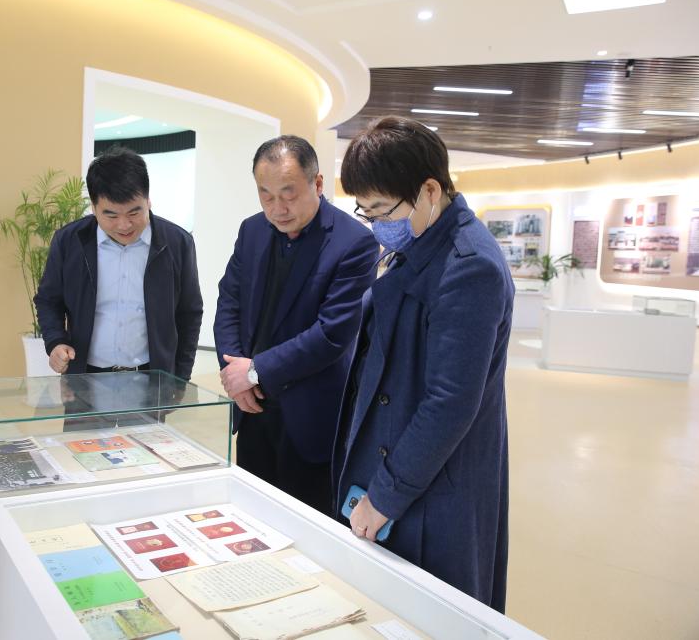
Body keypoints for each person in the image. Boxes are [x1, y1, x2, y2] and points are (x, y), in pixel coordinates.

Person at [332, 117, 513, 612]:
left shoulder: (470, 266)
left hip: (431, 480)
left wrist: (386, 496)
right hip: (399, 458)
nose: (375, 224)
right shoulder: (418, 241)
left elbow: (449, 403)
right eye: (365, 212)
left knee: (430, 611)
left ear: (430, 191)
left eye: (381, 210)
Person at [214, 135, 379, 514]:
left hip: (309, 415)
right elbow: (229, 302)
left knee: (306, 522)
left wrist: (254, 371)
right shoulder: (252, 230)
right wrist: (234, 371)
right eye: (266, 195)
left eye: (288, 194)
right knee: (250, 515)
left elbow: (332, 334)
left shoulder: (354, 242)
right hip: (253, 407)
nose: (277, 208)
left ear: (317, 184)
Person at [35, 147, 203, 381]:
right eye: (111, 215)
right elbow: (48, 300)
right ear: (93, 208)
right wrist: (55, 341)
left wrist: (180, 379)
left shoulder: (177, 243)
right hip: (85, 378)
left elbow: (189, 313)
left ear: (148, 201)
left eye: (134, 213)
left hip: (152, 378)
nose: (124, 225)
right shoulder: (69, 241)